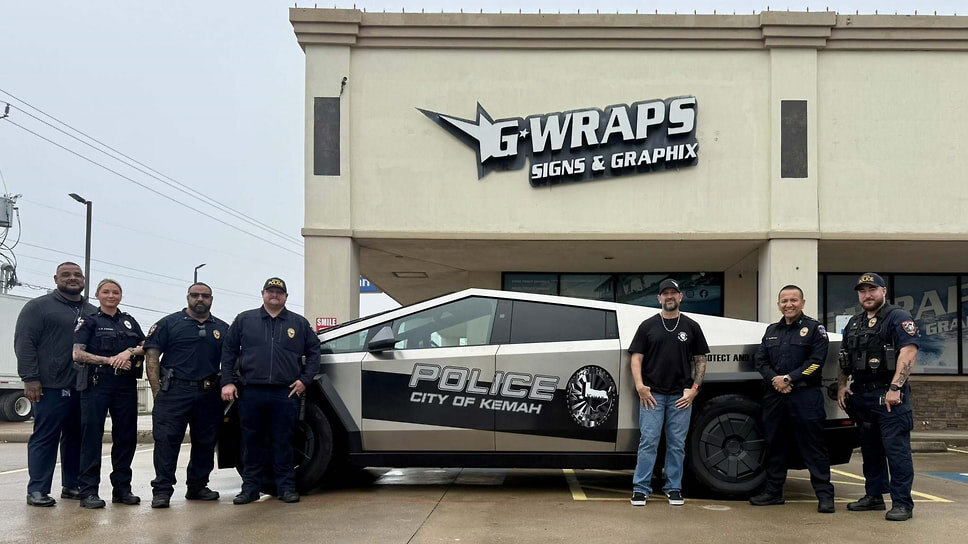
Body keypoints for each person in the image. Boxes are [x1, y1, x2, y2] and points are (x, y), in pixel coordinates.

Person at [220, 277, 320, 505]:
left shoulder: (299, 323)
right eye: (270, 291)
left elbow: (315, 352)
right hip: (251, 392)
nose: (274, 295)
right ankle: (250, 489)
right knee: (251, 441)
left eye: (279, 292)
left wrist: (305, 380)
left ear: (286, 297)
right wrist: (228, 381)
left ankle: (285, 488)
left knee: (283, 441)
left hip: (284, 394)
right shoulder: (245, 320)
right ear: (263, 293)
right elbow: (228, 351)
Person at [837, 273, 919, 522]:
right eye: (862, 291)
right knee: (871, 450)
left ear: (883, 291)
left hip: (889, 395)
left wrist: (895, 388)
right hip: (862, 396)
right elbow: (844, 356)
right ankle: (874, 495)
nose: (867, 295)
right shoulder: (855, 322)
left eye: (872, 289)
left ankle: (903, 503)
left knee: (897, 452)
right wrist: (842, 385)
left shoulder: (898, 318)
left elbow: (908, 352)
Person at [14, 262, 97, 507]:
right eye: (66, 275)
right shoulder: (38, 307)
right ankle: (38, 489)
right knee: (46, 437)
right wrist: (30, 378)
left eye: (77, 275)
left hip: (82, 387)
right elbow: (24, 343)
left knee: (76, 439)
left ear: (84, 280)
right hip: (49, 385)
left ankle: (72, 485)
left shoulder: (92, 311)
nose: (72, 278)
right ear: (55, 278)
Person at [750, 285, 835, 513]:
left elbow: (816, 362)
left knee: (813, 447)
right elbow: (761, 362)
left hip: (805, 395)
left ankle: (825, 496)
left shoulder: (815, 329)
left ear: (803, 302)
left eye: (793, 300)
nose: (789, 304)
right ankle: (773, 493)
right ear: (779, 304)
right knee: (775, 445)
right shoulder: (771, 330)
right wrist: (775, 380)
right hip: (775, 396)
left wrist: (789, 379)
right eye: (784, 300)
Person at [144, 282, 229, 508]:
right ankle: (162, 491)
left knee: (205, 442)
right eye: (195, 295)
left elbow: (229, 360)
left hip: (209, 392)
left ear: (212, 299)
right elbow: (152, 356)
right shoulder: (168, 324)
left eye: (205, 296)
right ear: (188, 297)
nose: (200, 299)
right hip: (174, 392)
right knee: (167, 442)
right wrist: (157, 392)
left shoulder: (222, 327)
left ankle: (198, 486)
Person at [629, 278, 708, 507]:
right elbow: (636, 358)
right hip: (651, 396)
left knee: (676, 444)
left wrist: (694, 390)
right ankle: (641, 489)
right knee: (649, 441)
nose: (670, 296)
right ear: (659, 298)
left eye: (674, 293)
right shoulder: (647, 326)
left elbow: (701, 360)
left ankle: (673, 488)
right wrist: (640, 387)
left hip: (681, 398)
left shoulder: (691, 326)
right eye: (665, 293)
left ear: (680, 297)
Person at [72, 279, 146, 509]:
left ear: (121, 296)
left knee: (126, 438)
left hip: (124, 385)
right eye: (106, 292)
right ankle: (89, 492)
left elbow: (147, 344)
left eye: (115, 292)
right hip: (97, 383)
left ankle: (122, 489)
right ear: (97, 295)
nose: (111, 295)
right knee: (92, 438)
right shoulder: (89, 321)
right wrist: (109, 360)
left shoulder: (129, 321)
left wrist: (128, 351)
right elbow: (77, 354)